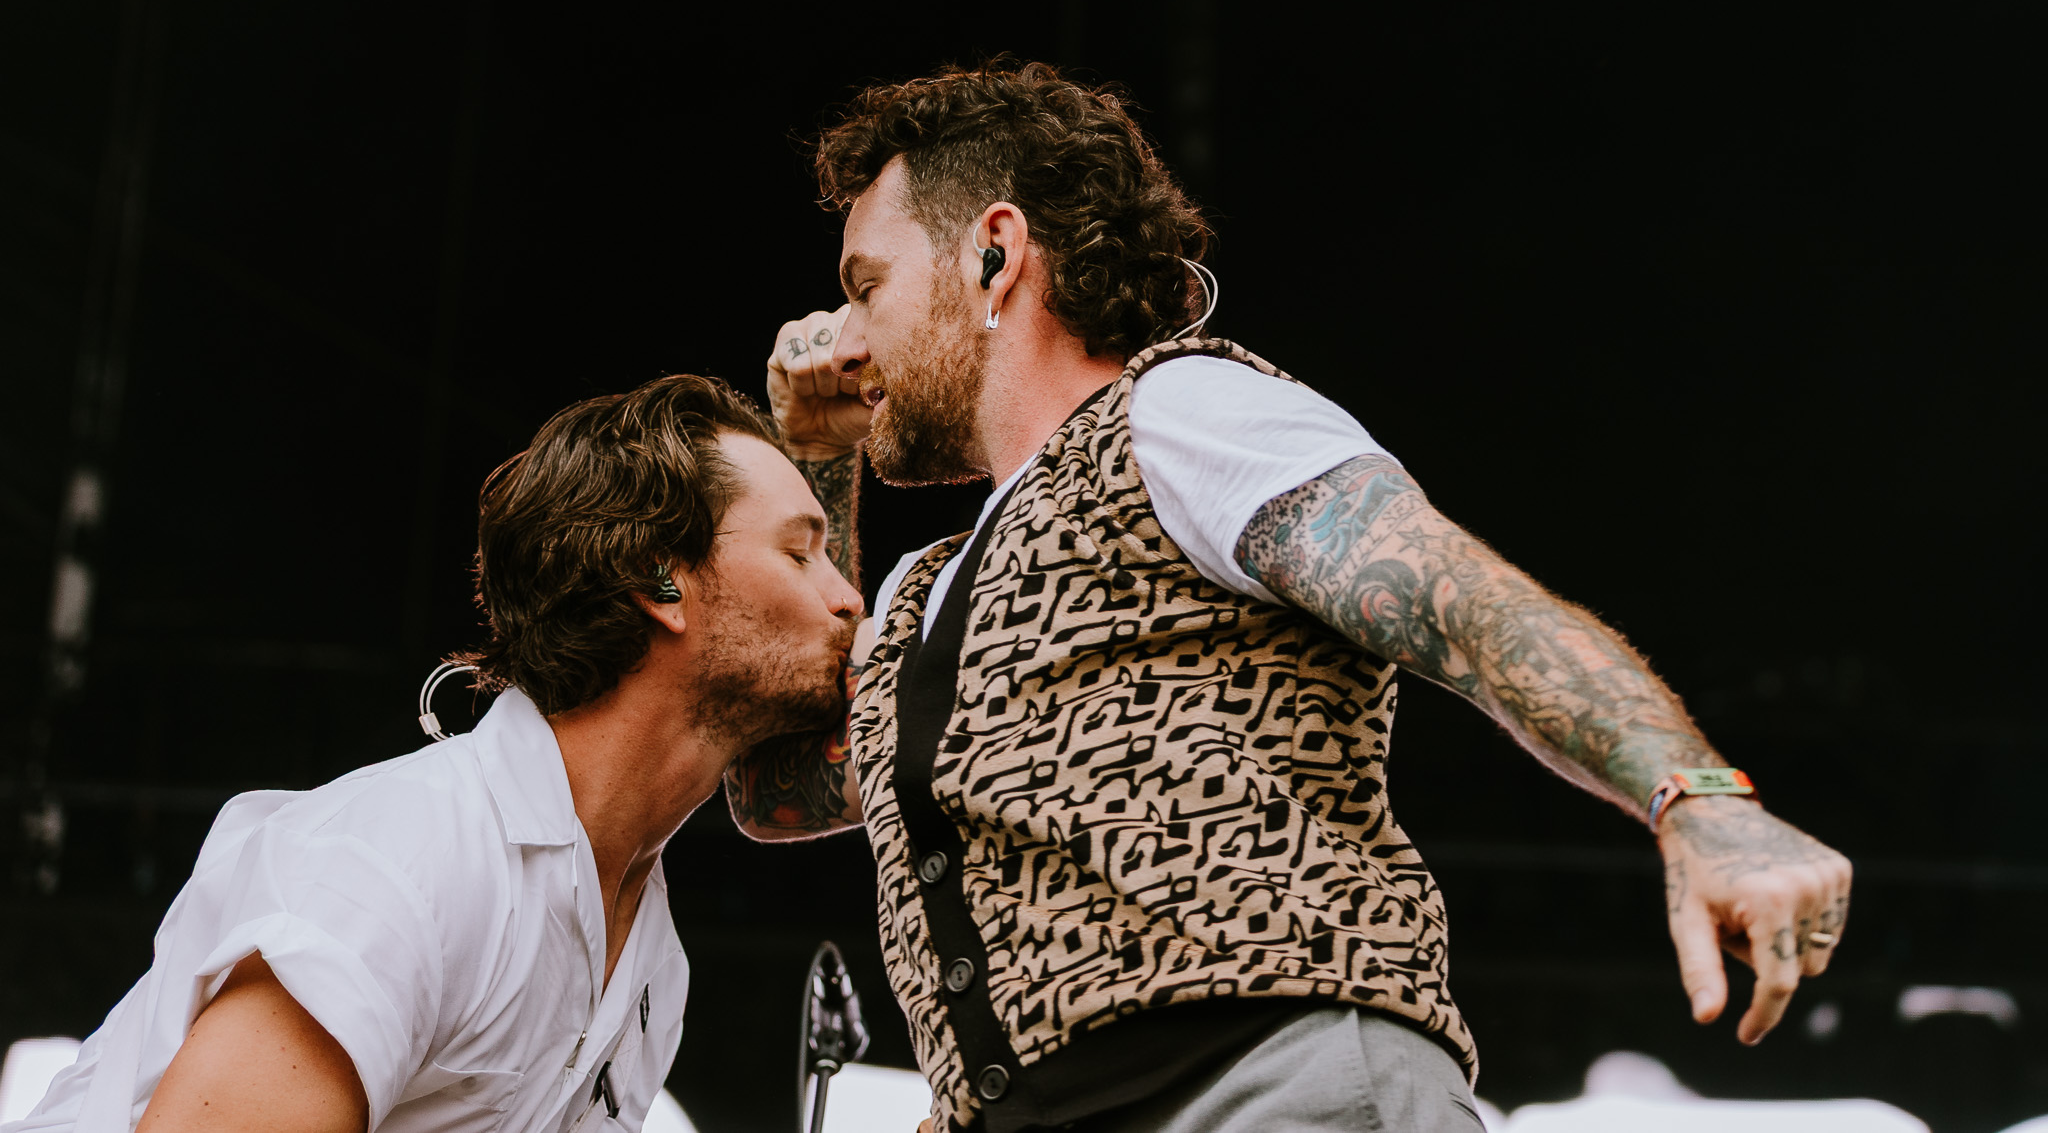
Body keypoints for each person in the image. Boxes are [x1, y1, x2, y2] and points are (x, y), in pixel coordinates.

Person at [729, 64, 1853, 1133]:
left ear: (995, 254)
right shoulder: (930, 591)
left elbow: (1460, 604)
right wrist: (816, 458)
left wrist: (1697, 799)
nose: (846, 337)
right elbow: (779, 787)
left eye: (867, 286)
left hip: (1266, 1087)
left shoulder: (1182, 417)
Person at [10, 375, 860, 1133]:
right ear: (659, 578)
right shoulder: (411, 859)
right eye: (799, 552)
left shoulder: (651, 962)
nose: (849, 596)